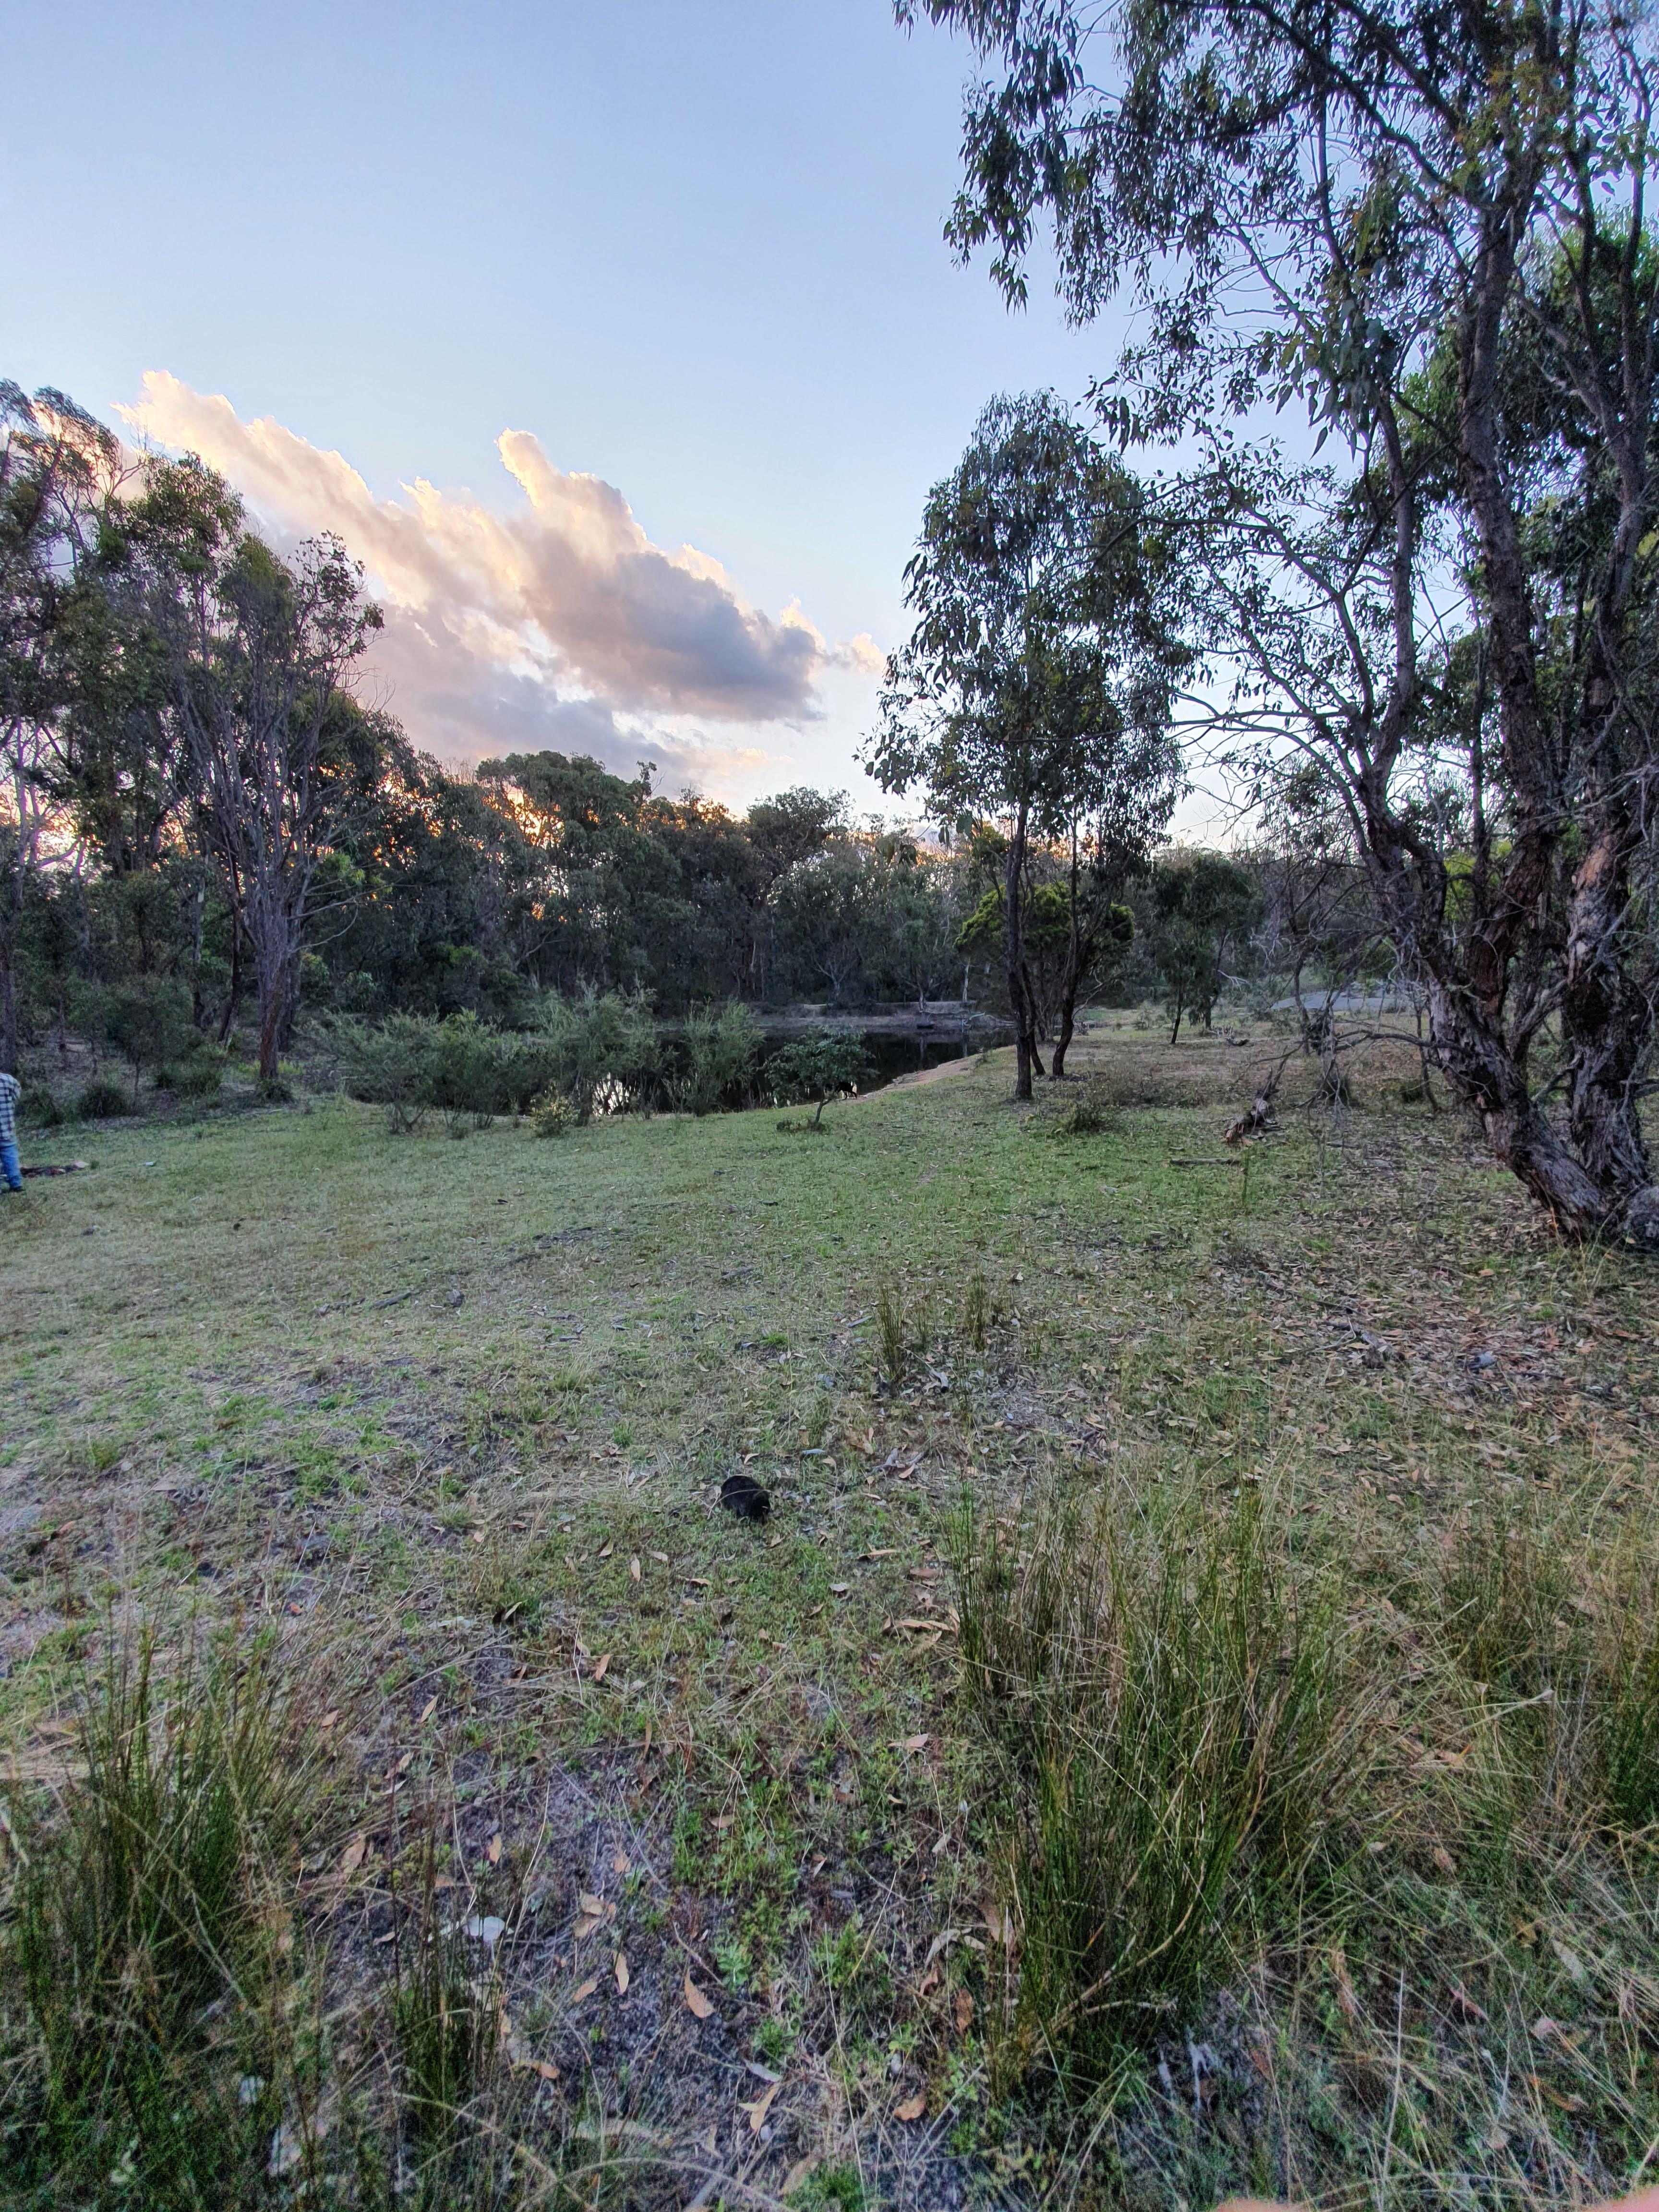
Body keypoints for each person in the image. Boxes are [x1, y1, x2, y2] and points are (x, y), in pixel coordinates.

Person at [0, 1069, 22, 1193]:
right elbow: (16, 1096)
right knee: (11, 1157)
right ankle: (16, 1183)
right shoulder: (9, 1080)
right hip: (7, 1128)